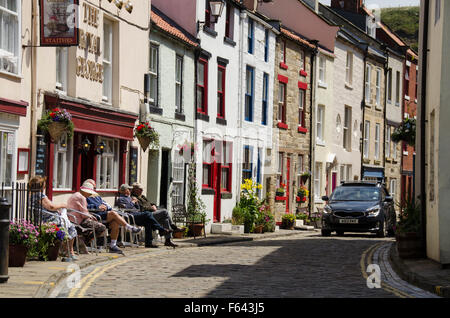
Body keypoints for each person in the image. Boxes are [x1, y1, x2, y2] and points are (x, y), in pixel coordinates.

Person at [81, 181, 142, 254]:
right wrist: (97, 206)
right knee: (113, 213)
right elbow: (83, 207)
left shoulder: (96, 195)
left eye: (94, 187)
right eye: (93, 187)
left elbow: (106, 204)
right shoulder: (83, 195)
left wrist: (105, 206)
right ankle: (129, 227)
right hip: (95, 215)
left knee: (115, 222)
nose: (94, 188)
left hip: (102, 214)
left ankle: (112, 245)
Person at [29, 176, 78, 260]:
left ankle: (68, 251)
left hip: (42, 219)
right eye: (44, 184)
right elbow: (51, 206)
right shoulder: (40, 195)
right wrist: (63, 205)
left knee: (69, 226)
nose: (45, 185)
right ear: (41, 185)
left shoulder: (32, 195)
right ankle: (69, 252)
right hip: (48, 220)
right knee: (71, 228)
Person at [66, 186, 107, 250]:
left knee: (94, 224)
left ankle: (82, 241)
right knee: (102, 227)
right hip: (79, 221)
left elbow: (81, 211)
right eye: (89, 193)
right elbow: (84, 215)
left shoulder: (74, 195)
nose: (90, 195)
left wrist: (89, 215)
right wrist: (89, 216)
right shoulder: (82, 198)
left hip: (71, 219)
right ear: (85, 192)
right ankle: (84, 242)